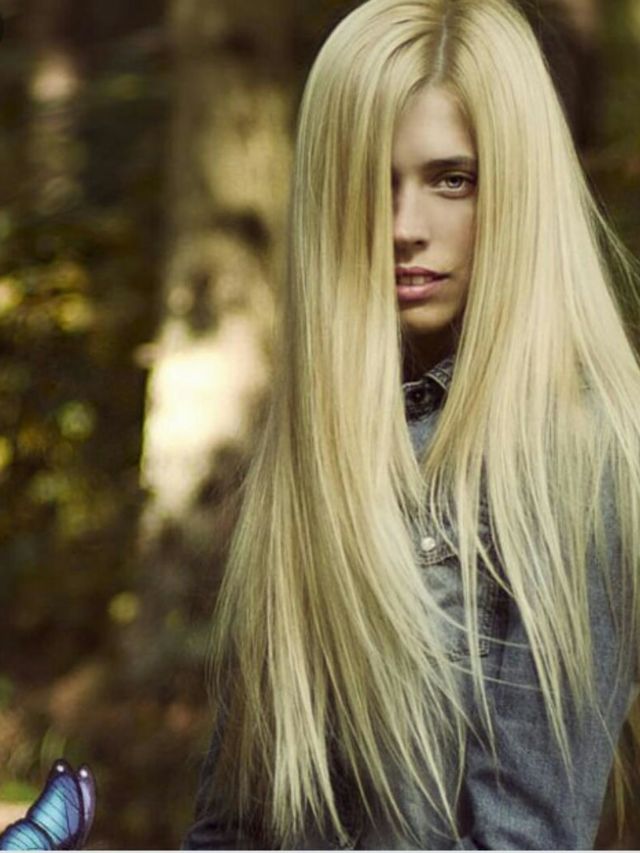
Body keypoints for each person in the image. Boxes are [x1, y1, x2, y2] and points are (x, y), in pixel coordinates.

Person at [183, 0, 640, 848]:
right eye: (373, 182)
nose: (403, 228)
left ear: (520, 189)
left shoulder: (579, 452)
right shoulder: (319, 447)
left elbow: (524, 839)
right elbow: (236, 822)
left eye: (452, 180)